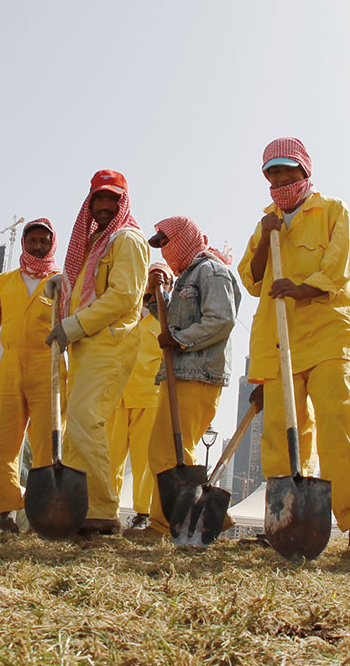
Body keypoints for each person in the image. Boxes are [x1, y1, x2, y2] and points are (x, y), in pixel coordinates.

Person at [241, 137, 350, 552]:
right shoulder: (265, 221)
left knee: (338, 422)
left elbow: (339, 266)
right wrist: (267, 237)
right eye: (273, 173)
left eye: (288, 171)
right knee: (283, 434)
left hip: (326, 334)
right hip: (278, 342)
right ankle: (282, 521)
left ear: (305, 171)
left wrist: (302, 288)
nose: (281, 179)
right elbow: (252, 279)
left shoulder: (333, 210)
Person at [44, 169, 148, 535]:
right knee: (76, 425)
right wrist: (61, 285)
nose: (104, 206)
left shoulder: (128, 240)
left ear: (124, 202)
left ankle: (103, 511)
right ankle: (76, 510)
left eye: (112, 199)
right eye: (98, 199)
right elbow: (85, 285)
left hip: (110, 343)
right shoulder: (93, 242)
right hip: (86, 345)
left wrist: (70, 326)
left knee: (86, 418)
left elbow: (122, 297)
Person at [143, 216, 241, 539]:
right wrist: (153, 294)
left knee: (168, 450)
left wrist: (181, 340)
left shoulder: (211, 271)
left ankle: (164, 525)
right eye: (159, 245)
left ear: (184, 238)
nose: (165, 250)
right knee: (169, 450)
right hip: (180, 373)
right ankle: (206, 518)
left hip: (198, 374)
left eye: (166, 241)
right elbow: (170, 321)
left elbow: (221, 319)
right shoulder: (186, 275)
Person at [0, 219, 59, 534]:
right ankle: (4, 513)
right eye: (32, 240)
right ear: (23, 243)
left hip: (51, 370)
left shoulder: (63, 281)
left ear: (52, 244)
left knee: (48, 447)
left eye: (43, 241)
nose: (37, 246)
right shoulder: (4, 282)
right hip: (10, 369)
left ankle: (41, 515)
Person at [109, 270, 166, 531]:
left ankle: (143, 514)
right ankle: (106, 510)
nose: (156, 284)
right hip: (118, 395)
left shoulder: (166, 319)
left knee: (145, 462)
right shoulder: (127, 313)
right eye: (152, 279)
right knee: (110, 457)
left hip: (148, 397)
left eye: (162, 279)